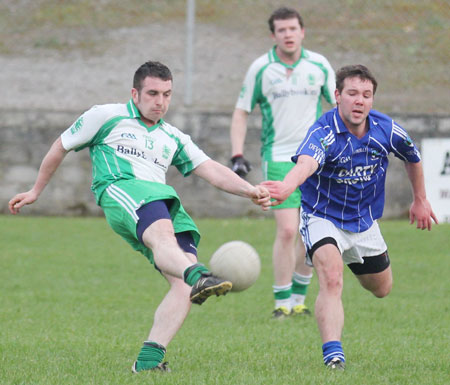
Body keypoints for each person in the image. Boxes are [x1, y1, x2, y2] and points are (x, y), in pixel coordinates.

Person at [9, 61, 271, 373]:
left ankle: (148, 362)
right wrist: (37, 190)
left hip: (161, 200)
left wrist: (250, 190)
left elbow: (210, 169)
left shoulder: (173, 136)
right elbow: (60, 147)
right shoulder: (106, 116)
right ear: (135, 93)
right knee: (169, 243)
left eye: (167, 94)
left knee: (181, 284)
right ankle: (198, 274)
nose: (160, 102)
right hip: (121, 189)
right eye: (153, 93)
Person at [262, 64, 438, 369]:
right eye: (352, 93)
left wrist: (420, 200)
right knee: (331, 278)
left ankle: (349, 258)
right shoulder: (323, 132)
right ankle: (333, 355)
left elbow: (413, 157)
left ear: (372, 100)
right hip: (322, 217)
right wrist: (285, 187)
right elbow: (306, 164)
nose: (359, 101)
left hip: (365, 222)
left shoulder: (386, 129)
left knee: (381, 289)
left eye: (366, 95)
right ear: (337, 96)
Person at [229, 6, 336, 319]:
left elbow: (339, 105)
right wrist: (237, 153)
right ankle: (281, 303)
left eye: (293, 29)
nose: (288, 35)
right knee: (288, 230)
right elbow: (241, 111)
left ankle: (299, 298)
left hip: (315, 159)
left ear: (302, 32)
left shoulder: (319, 65)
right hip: (277, 157)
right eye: (282, 30)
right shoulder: (261, 69)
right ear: (273, 35)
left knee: (309, 232)